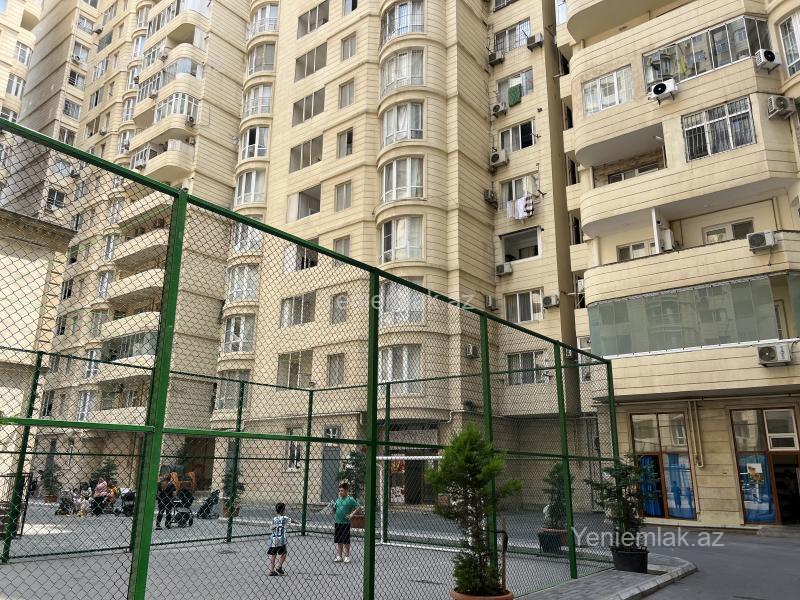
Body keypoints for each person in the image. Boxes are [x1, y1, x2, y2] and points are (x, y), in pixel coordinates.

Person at [268, 503, 298, 577]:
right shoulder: (285, 518)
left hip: (274, 540)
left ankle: (272, 570)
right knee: (283, 554)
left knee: (273, 555)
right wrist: (296, 522)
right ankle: (279, 567)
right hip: (281, 540)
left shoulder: (274, 519)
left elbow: (271, 527)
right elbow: (291, 521)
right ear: (283, 510)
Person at [333, 483, 360, 564]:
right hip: (338, 522)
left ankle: (347, 557)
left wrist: (351, 514)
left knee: (346, 540)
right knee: (339, 540)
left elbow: (358, 507)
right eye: (339, 491)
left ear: (346, 491)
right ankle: (339, 556)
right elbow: (335, 509)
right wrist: (333, 508)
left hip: (345, 523)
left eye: (342, 491)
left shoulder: (350, 499)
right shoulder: (338, 500)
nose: (340, 492)